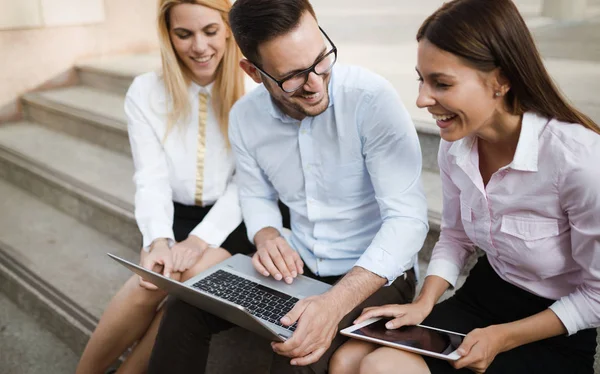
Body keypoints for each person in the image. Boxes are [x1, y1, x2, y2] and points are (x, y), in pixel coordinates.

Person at [147, 0, 430, 373]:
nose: (315, 84)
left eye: (321, 59)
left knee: (297, 354)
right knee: (184, 308)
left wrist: (334, 303)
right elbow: (255, 194)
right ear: (252, 71)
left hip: (374, 275)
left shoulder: (371, 100)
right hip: (297, 270)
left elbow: (408, 220)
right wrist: (266, 236)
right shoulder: (246, 118)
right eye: (293, 75)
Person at [329, 0, 600, 373]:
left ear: (500, 81)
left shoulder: (579, 161)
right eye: (421, 80)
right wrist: (424, 302)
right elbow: (455, 236)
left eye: (441, 83)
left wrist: (501, 337)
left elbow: (597, 297)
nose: (422, 99)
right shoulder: (456, 145)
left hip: (553, 328)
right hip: (483, 296)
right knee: (348, 358)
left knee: (382, 367)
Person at [75, 1, 252, 373]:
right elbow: (150, 176)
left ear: (227, 29)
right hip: (176, 213)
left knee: (182, 281)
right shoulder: (145, 91)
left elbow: (247, 183)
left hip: (235, 219)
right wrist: (158, 238)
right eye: (183, 34)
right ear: (168, 35)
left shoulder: (253, 92)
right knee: (150, 283)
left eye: (209, 31)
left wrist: (200, 240)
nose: (199, 47)